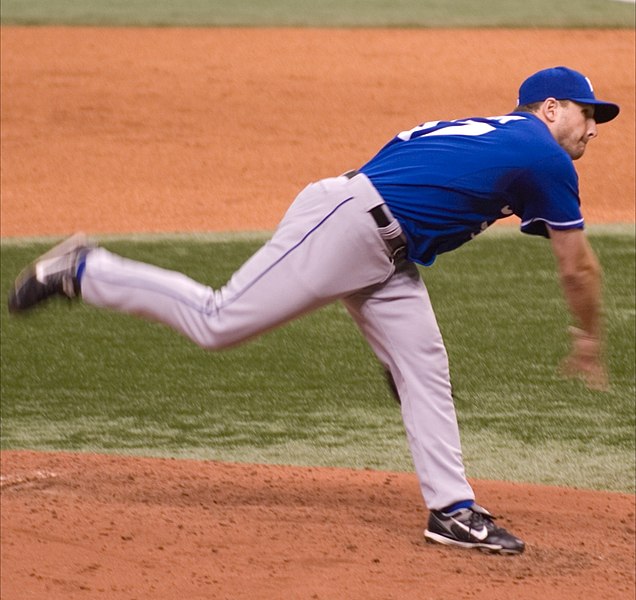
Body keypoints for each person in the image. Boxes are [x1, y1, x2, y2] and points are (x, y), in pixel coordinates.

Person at [8, 66, 620, 555]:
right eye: (587, 114)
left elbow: (403, 158)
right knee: (219, 322)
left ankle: (452, 511)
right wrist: (587, 337)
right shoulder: (544, 155)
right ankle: (86, 270)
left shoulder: (485, 131)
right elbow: (578, 267)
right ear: (550, 109)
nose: (592, 129)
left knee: (424, 367)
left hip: (377, 241)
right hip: (352, 228)